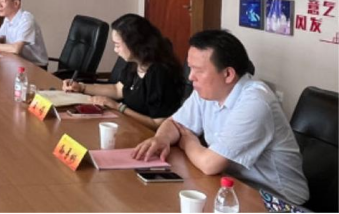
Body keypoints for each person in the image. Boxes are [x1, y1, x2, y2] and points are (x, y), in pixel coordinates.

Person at [132, 30, 309, 205]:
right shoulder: (208, 91)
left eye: (198, 70)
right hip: (233, 186)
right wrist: (161, 139)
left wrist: (188, 142)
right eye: (190, 67)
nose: (190, 77)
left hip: (278, 201)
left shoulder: (256, 102)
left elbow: (210, 164)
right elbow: (174, 123)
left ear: (228, 74)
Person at [61, 14, 184, 130]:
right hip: (128, 127)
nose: (115, 50)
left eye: (117, 45)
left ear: (134, 43)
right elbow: (118, 90)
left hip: (147, 135)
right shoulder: (135, 62)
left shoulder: (159, 73)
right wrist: (81, 87)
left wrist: (118, 107)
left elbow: (158, 124)